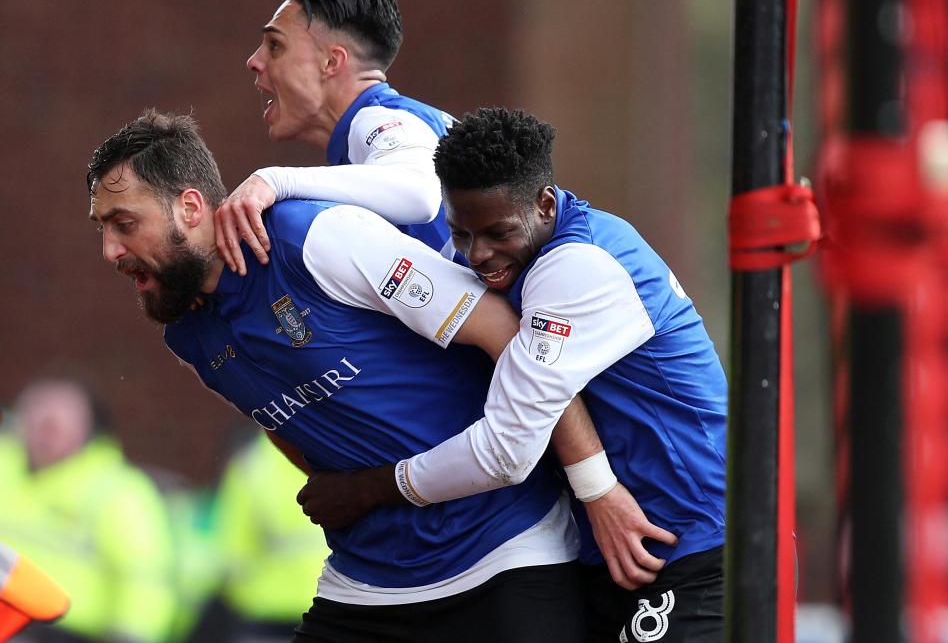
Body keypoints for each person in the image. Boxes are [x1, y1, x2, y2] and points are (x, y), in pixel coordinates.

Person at [86, 110, 595, 642]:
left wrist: (596, 490)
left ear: (190, 208)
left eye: (125, 223)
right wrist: (342, 492)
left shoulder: (311, 237)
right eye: (103, 229)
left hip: (503, 550)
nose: (110, 251)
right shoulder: (186, 333)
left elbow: (508, 335)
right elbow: (283, 418)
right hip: (367, 581)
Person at [295, 108, 729, 642]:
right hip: (622, 549)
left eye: (498, 231)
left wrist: (367, 489)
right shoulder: (536, 257)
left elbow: (506, 448)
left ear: (545, 204)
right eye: (461, 233)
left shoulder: (578, 267)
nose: (479, 255)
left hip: (691, 542)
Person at [216, 0, 457, 274]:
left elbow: (419, 196)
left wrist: (275, 180)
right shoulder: (398, 125)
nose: (254, 61)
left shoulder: (377, 119)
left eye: (275, 45)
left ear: (331, 62)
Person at [0, 378, 176, 643]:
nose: (45, 433)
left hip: (67, 633)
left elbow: (145, 581)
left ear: (87, 430)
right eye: (37, 420)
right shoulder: (5, 464)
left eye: (56, 426)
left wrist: (130, 637)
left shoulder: (117, 490)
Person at [212, 431, 332, 643]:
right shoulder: (342, 457)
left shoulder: (250, 466)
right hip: (334, 605)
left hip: (265, 613)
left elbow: (232, 553)